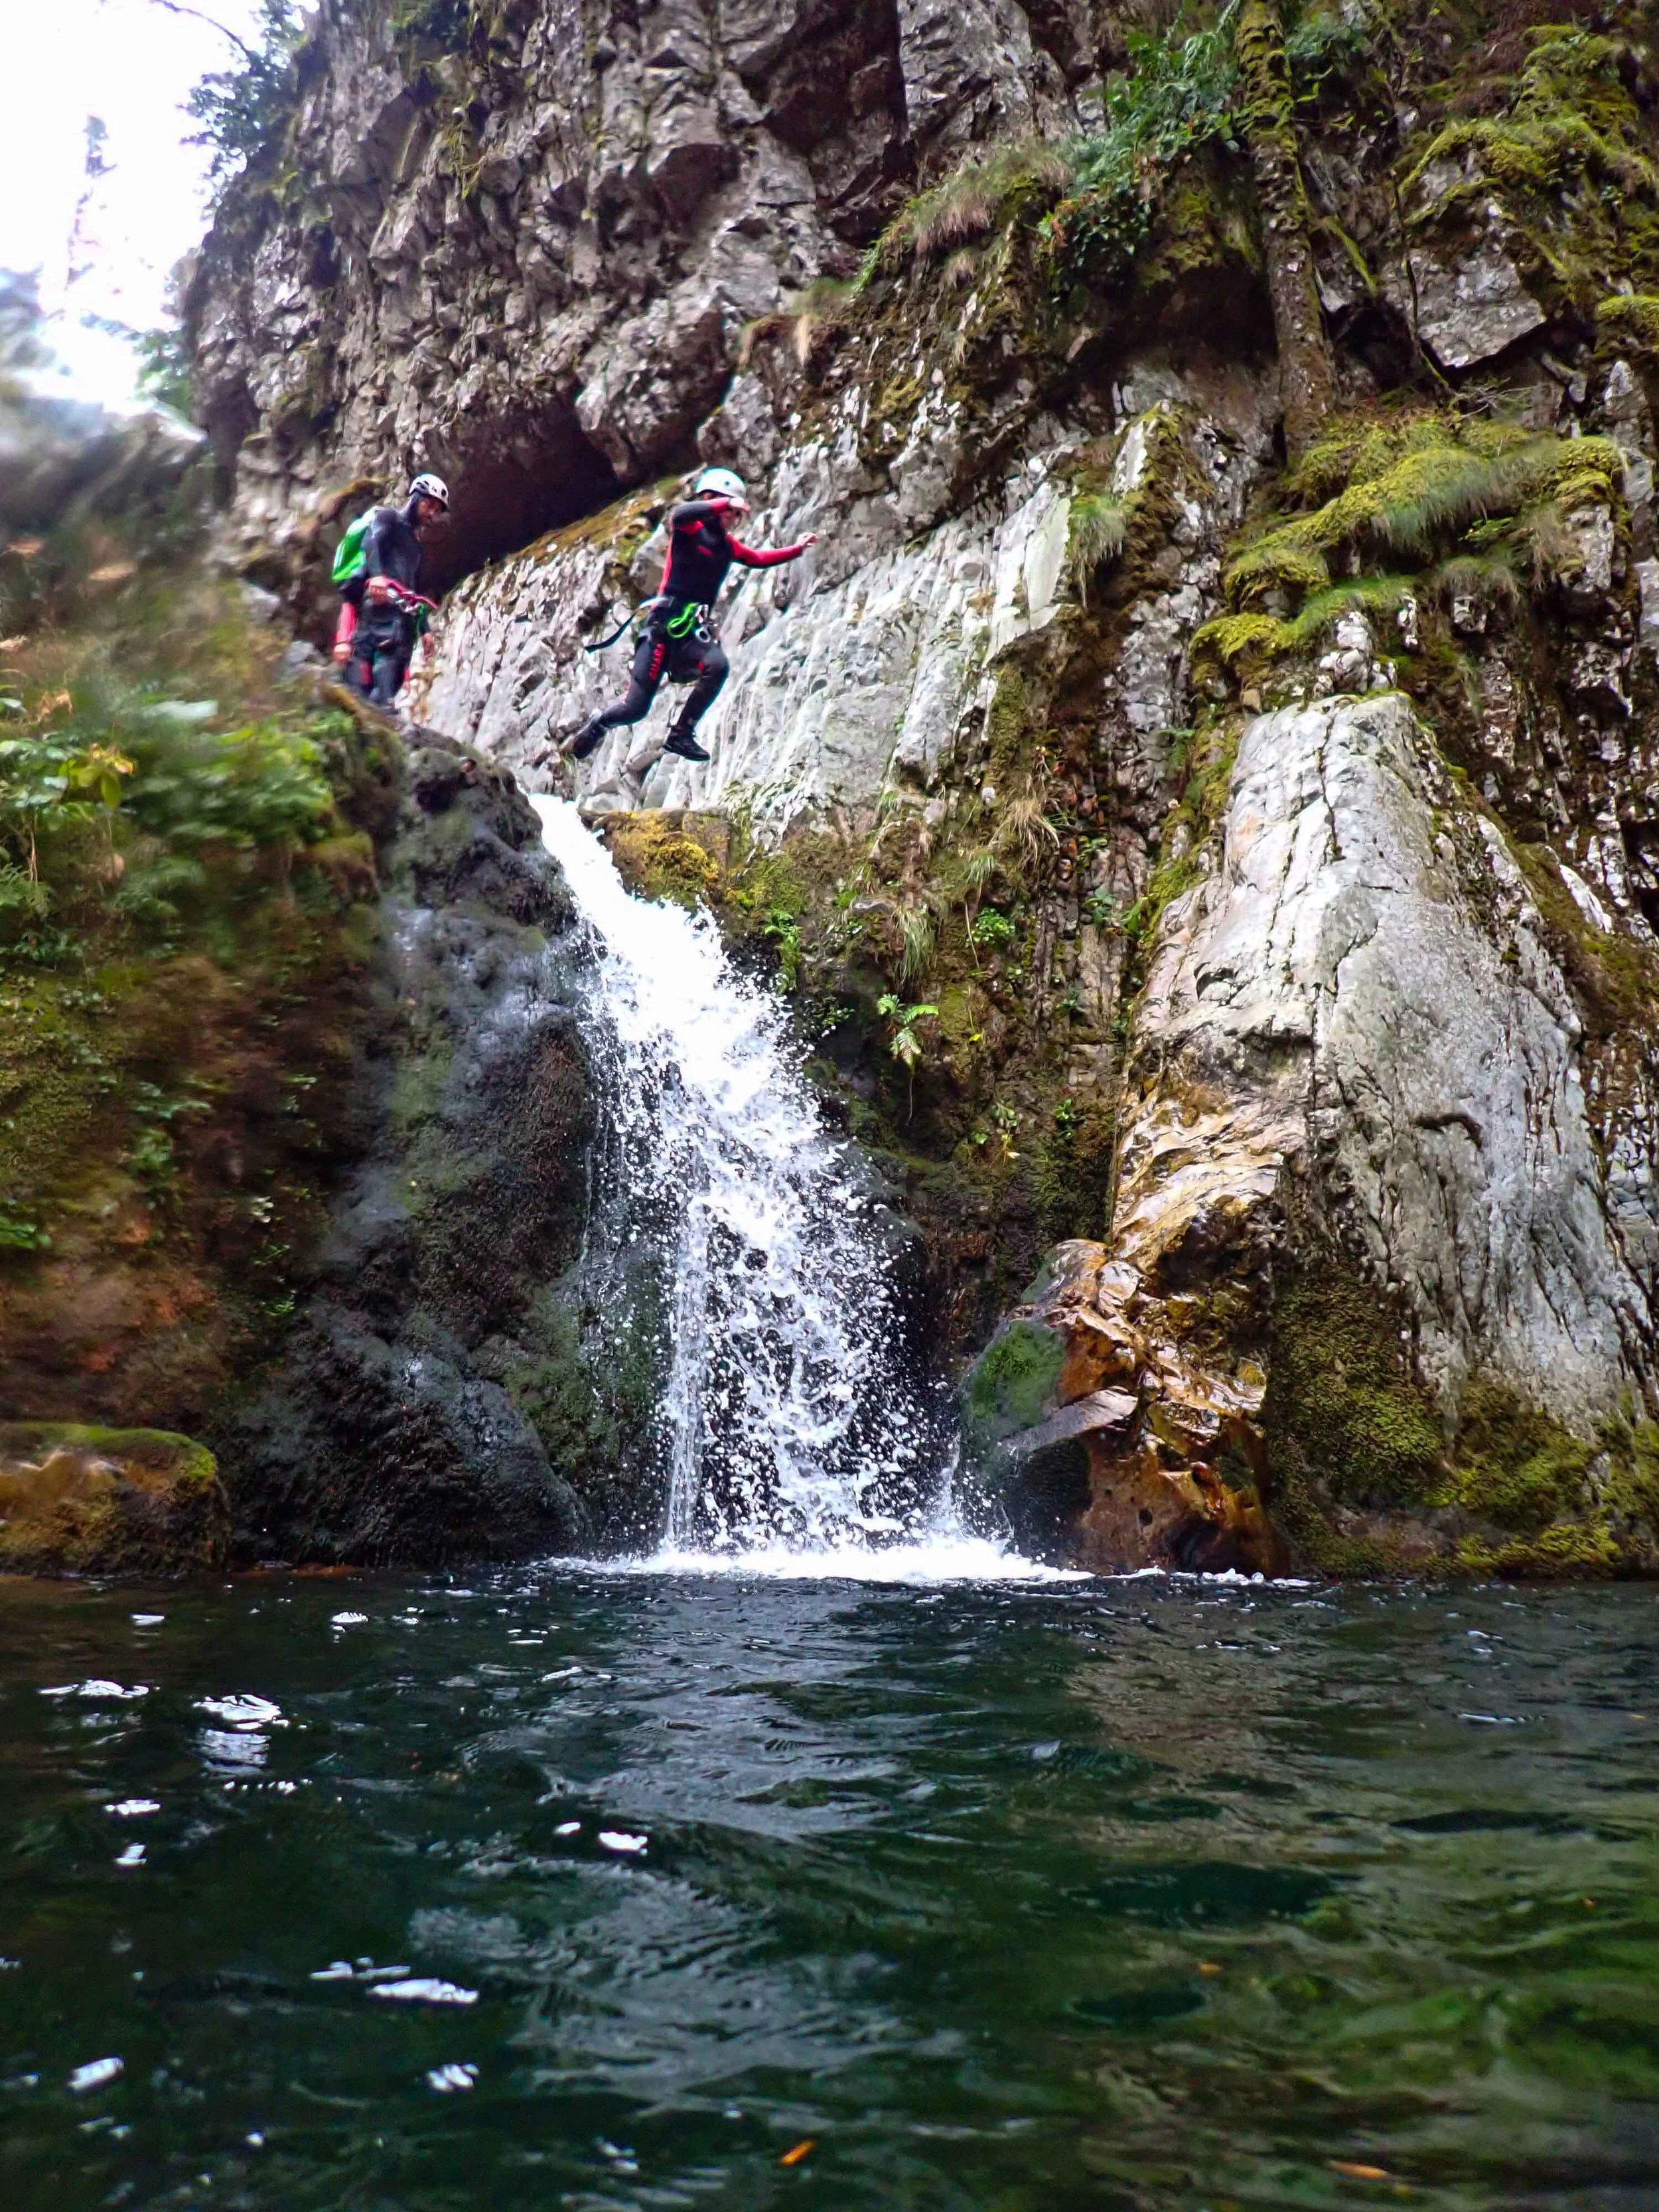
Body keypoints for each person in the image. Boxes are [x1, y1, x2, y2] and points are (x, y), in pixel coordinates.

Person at [562, 467, 816, 769]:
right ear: (710, 500)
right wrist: (723, 503)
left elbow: (759, 560)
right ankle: (600, 723)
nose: (733, 518)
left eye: (736, 513)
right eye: (729, 509)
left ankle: (682, 733)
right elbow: (681, 514)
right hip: (660, 630)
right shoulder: (690, 530)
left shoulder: (728, 546)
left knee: (718, 666)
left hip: (690, 634)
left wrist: (798, 549)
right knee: (635, 709)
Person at [331, 473, 449, 709]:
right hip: (380, 604)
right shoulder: (389, 518)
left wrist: (425, 629)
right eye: (430, 504)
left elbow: (413, 590)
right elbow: (371, 542)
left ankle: (378, 708)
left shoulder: (415, 547)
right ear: (416, 498)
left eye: (436, 510)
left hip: (402, 613)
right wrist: (376, 576)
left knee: (396, 662)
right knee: (381, 652)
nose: (432, 513)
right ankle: (370, 706)